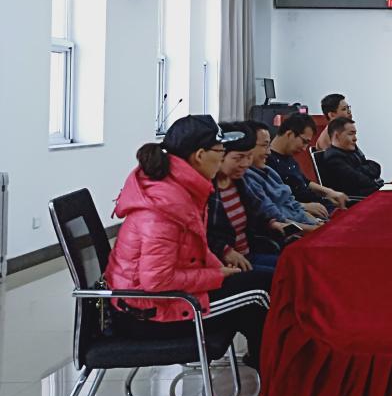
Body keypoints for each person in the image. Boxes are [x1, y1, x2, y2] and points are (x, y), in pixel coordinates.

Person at [104, 115, 271, 370]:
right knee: (261, 291)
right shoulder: (163, 207)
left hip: (160, 300)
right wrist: (216, 275)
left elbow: (197, 247)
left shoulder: (181, 188)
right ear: (200, 155)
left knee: (257, 290)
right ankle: (276, 373)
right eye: (220, 152)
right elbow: (156, 281)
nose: (223, 158)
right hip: (148, 314)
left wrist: (218, 269)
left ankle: (268, 367)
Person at [208, 123, 290, 274]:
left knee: (295, 265)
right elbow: (203, 235)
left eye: (249, 156)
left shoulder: (240, 183)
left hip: (248, 254)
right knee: (283, 276)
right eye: (238, 158)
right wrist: (225, 250)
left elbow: (256, 211)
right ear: (220, 156)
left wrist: (271, 223)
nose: (245, 164)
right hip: (225, 265)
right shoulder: (208, 192)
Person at [242, 121, 326, 232]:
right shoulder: (248, 179)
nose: (268, 152)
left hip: (306, 220)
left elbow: (293, 203)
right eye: (264, 145)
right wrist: (316, 229)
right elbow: (277, 218)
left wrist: (316, 222)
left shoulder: (270, 171)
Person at [268, 113, 349, 210]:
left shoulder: (288, 157)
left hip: (318, 206)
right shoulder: (268, 162)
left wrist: (329, 192)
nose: (304, 148)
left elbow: (305, 182)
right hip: (302, 212)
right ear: (290, 134)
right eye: (304, 142)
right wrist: (305, 207)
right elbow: (275, 201)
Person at [318, 117, 385, 198]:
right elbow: (361, 181)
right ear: (337, 136)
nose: (355, 138)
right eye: (351, 134)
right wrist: (369, 175)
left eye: (355, 134)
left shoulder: (351, 150)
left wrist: (359, 170)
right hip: (357, 200)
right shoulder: (333, 158)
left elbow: (376, 166)